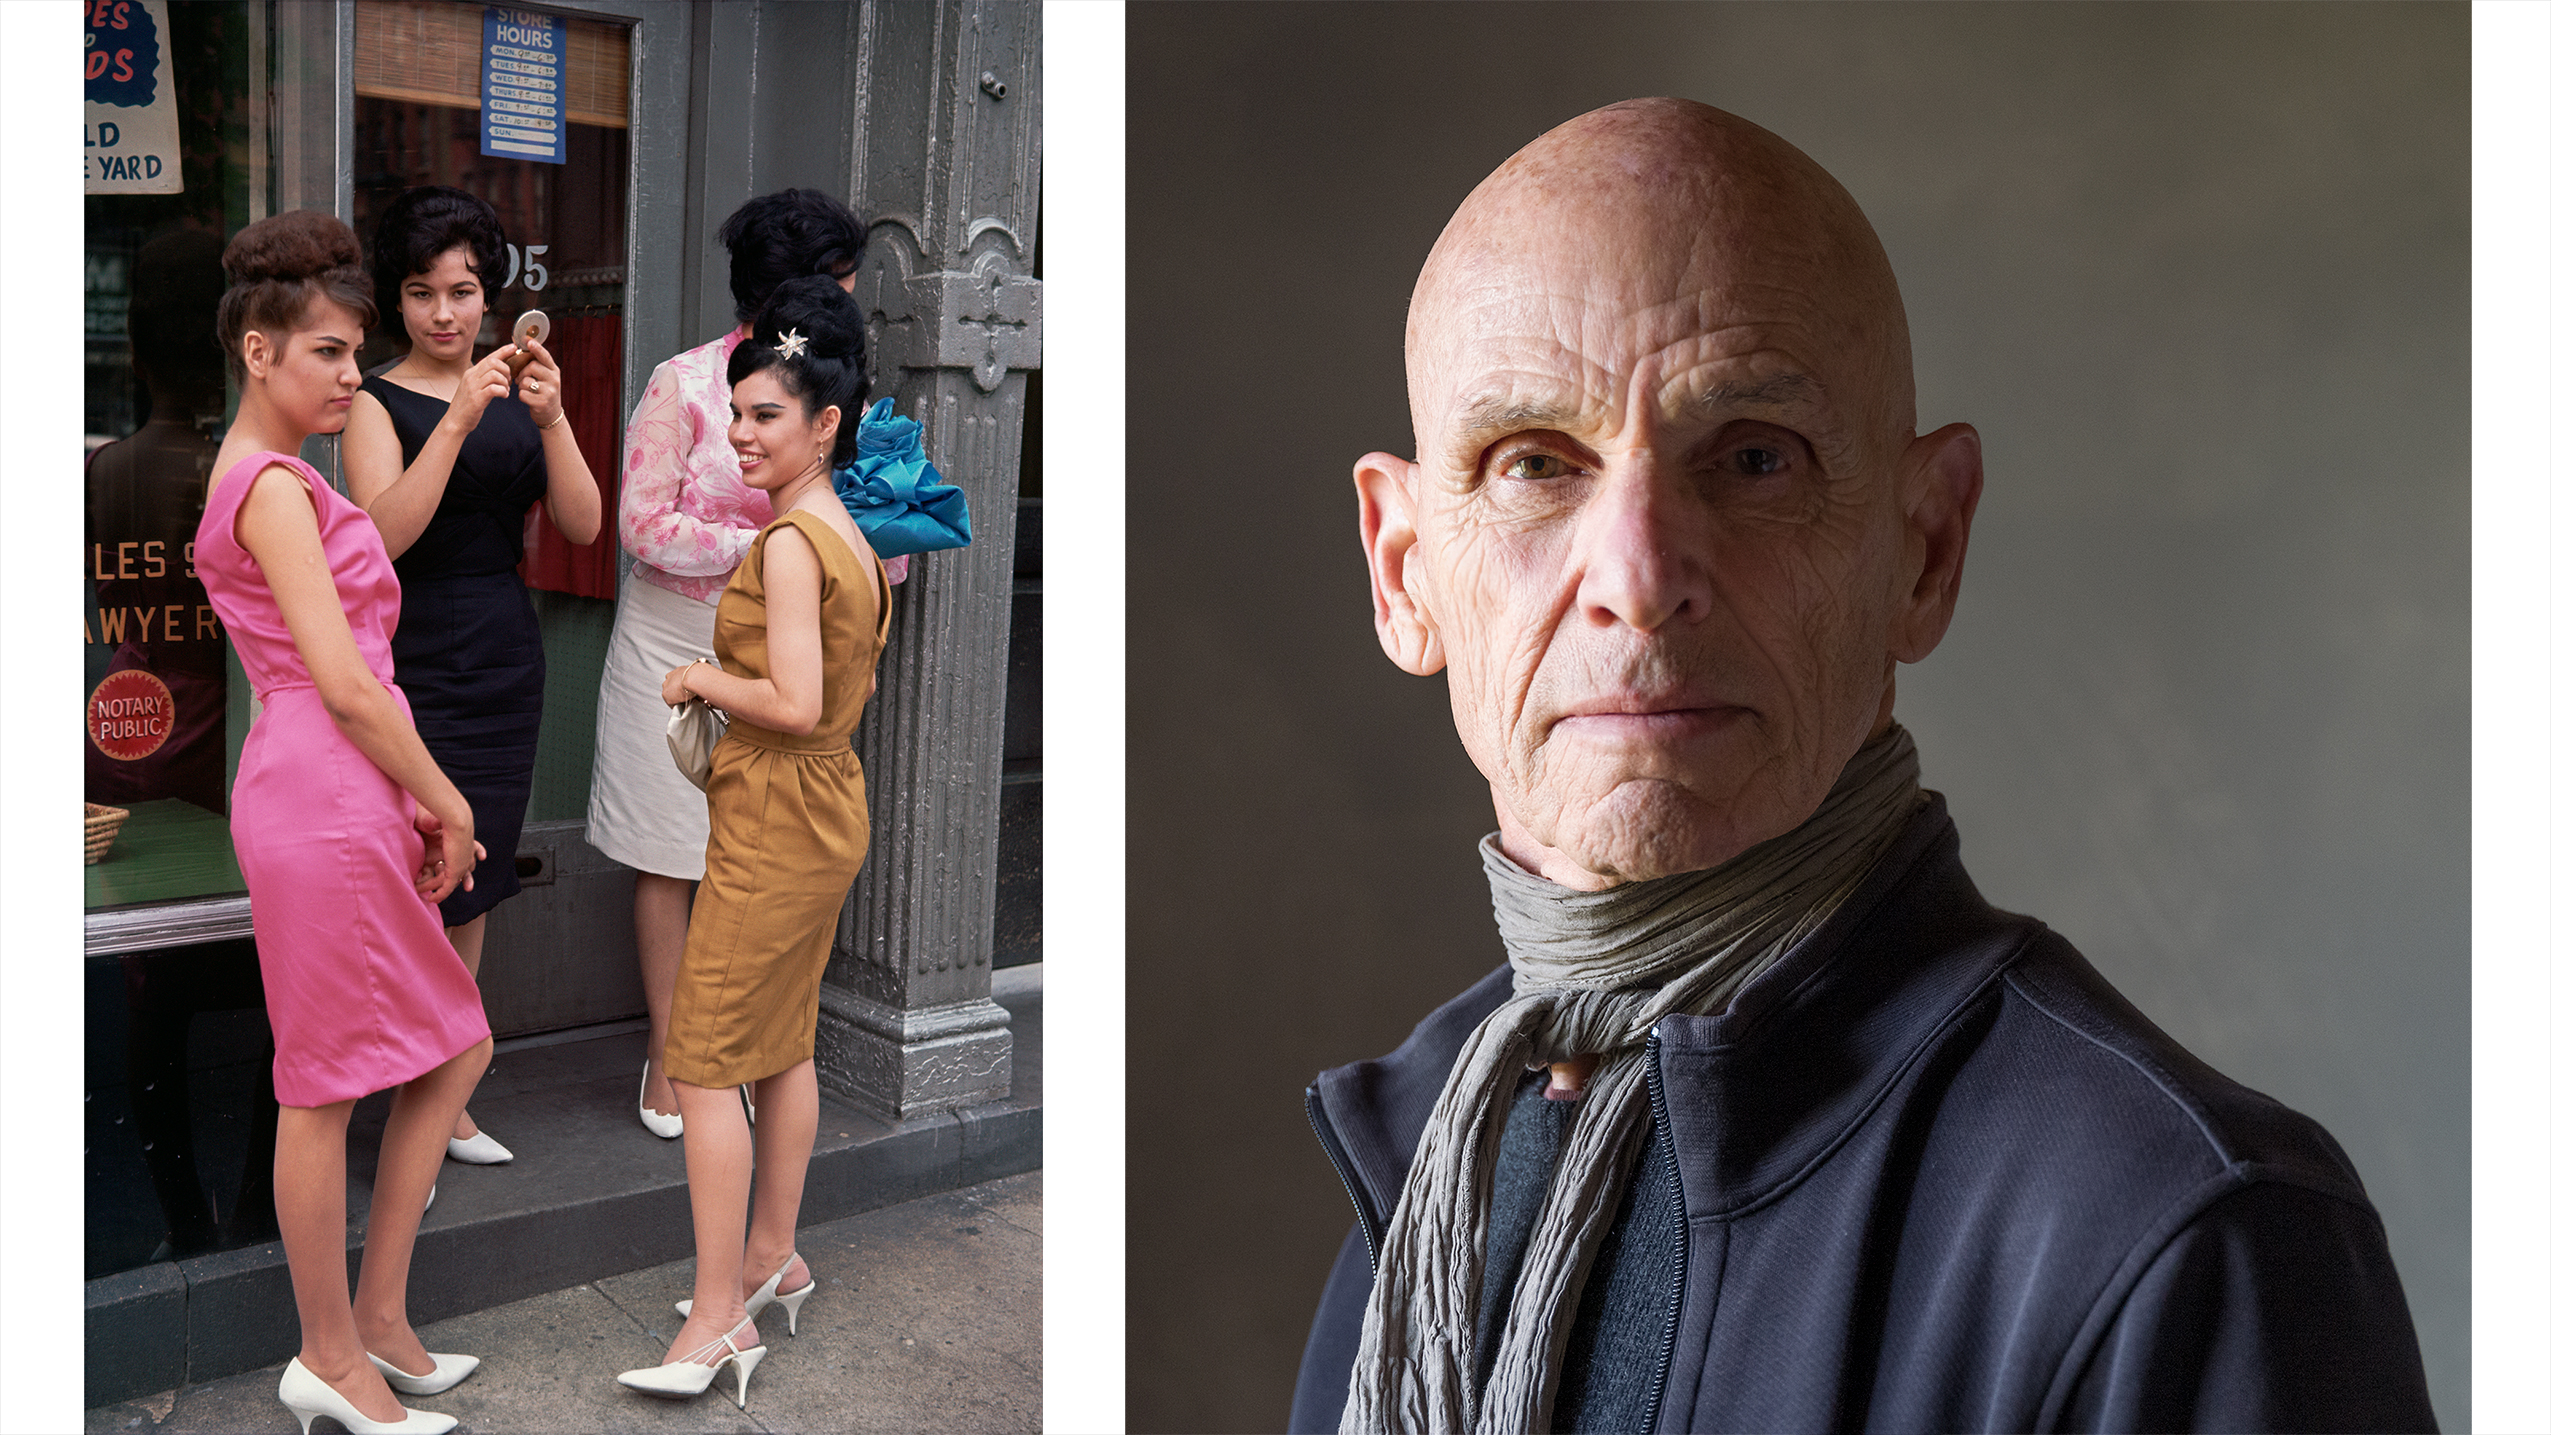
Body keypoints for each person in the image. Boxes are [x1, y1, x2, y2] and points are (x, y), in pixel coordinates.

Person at [1291, 100, 2434, 1434]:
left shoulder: (2182, 1232)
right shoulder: (1430, 1164)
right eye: (1534, 464)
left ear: (1923, 549)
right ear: (1402, 570)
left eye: (1754, 457)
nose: (1639, 580)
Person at [194, 209, 490, 1435]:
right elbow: (347, 679)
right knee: (322, 1087)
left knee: (450, 1047)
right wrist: (448, 796)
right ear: (257, 351)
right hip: (326, 788)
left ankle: (372, 1319)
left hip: (336, 786)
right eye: (324, 351)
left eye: (351, 353)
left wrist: (410, 792)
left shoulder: (284, 476)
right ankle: (330, 1350)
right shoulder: (265, 484)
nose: (347, 375)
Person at [612, 275, 892, 1408]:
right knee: (783, 1041)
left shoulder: (786, 544)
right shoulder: (848, 536)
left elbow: (789, 696)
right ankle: (773, 1253)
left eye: (765, 414)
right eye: (735, 413)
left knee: (707, 1058)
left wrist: (692, 674)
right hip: (823, 806)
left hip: (780, 802)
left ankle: (721, 1314)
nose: (739, 432)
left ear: (825, 423)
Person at [586, 186, 892, 1140]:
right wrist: (767, 543)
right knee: (670, 854)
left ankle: (735, 1047)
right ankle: (672, 1056)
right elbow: (639, 524)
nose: (852, 296)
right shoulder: (683, 386)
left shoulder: (832, 394)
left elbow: (869, 532)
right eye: (841, 279)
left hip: (786, 658)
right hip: (678, 641)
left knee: (752, 860)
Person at [343, 186, 603, 1166]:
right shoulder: (374, 400)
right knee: (417, 874)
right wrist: (455, 418)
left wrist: (556, 418)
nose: (445, 313)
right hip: (411, 660)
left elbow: (581, 524)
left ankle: (448, 1093)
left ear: (490, 291)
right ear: (396, 300)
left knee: (478, 877)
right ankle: (413, 1092)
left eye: (461, 290)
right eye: (421, 293)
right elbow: (381, 537)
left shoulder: (520, 392)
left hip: (503, 649)